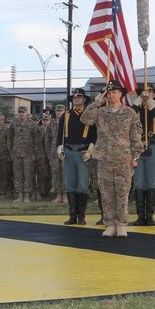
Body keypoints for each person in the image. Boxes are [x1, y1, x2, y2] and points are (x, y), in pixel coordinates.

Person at [80, 80, 143, 237]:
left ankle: (121, 224)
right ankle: (110, 224)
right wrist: (96, 102)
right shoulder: (101, 112)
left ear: (120, 94)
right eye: (108, 92)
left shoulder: (129, 113)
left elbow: (135, 136)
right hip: (105, 159)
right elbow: (85, 119)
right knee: (107, 193)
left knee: (122, 192)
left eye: (114, 92)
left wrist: (136, 156)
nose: (111, 95)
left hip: (123, 159)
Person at [57, 88, 96, 225]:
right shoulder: (67, 115)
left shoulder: (90, 115)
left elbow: (94, 135)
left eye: (79, 97)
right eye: (74, 97)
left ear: (84, 99)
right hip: (68, 152)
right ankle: (72, 215)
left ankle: (81, 215)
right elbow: (60, 134)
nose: (76, 99)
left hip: (83, 153)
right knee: (71, 184)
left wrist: (90, 150)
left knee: (82, 185)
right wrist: (59, 148)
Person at [131, 84, 155, 226]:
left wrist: (150, 104)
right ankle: (140, 215)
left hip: (153, 145)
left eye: (150, 92)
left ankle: (150, 215)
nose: (147, 95)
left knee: (151, 181)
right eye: (144, 93)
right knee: (139, 181)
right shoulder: (134, 110)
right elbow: (128, 117)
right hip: (137, 146)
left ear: (153, 95)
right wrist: (139, 102)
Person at [9, 107, 42, 203]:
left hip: (28, 153)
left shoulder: (31, 124)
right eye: (19, 112)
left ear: (27, 113)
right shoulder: (14, 124)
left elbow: (36, 139)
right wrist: (11, 152)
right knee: (18, 175)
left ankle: (27, 195)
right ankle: (19, 195)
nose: (21, 114)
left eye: (23, 112)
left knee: (28, 174)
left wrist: (34, 152)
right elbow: (9, 138)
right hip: (17, 153)